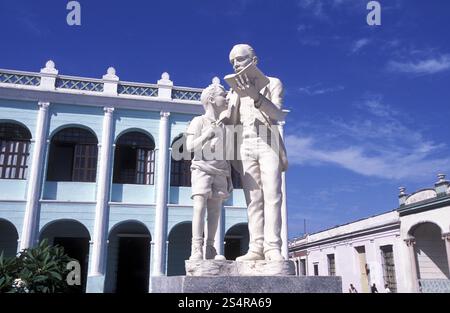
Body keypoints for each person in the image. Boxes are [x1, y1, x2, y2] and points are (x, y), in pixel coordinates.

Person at [224, 44, 288, 261]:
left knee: (272, 195)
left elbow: (278, 115)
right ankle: (256, 248)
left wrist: (255, 95)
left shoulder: (272, 83)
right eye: (233, 62)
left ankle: (272, 247)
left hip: (268, 142)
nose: (236, 65)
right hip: (245, 145)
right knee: (253, 200)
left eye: (240, 59)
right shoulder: (232, 92)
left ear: (254, 61)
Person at [185, 81, 231, 261]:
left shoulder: (224, 125)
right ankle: (196, 248)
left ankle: (210, 247)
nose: (226, 98)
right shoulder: (199, 121)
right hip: (201, 169)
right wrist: (207, 134)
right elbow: (188, 147)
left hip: (220, 170)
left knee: (215, 210)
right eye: (223, 95)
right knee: (199, 207)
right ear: (211, 99)